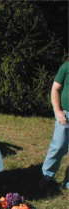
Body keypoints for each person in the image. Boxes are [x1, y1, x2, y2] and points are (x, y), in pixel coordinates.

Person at [41, 59, 69, 190]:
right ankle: (46, 176)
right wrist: (58, 111)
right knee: (58, 146)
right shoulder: (66, 66)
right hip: (65, 115)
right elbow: (55, 89)